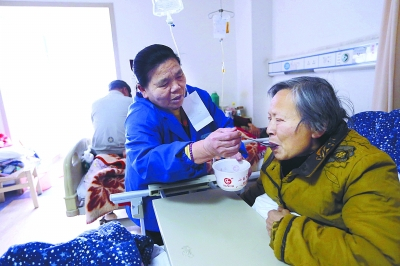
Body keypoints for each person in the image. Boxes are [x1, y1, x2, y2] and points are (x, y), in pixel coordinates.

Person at [240, 76, 400, 265]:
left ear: (318, 126)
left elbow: (382, 256)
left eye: (280, 120)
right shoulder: (279, 150)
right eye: (270, 118)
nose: (270, 130)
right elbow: (266, 183)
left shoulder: (367, 169)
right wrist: (238, 207)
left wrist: (286, 231)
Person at [125, 44, 248, 245]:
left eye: (179, 76)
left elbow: (223, 129)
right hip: (158, 204)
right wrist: (203, 150)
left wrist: (233, 151)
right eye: (164, 83)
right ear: (143, 90)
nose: (177, 87)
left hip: (201, 194)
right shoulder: (140, 116)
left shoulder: (195, 98)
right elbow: (146, 162)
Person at [91, 80, 133, 156]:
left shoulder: (95, 104)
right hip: (123, 151)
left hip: (98, 151)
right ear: (125, 90)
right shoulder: (131, 102)